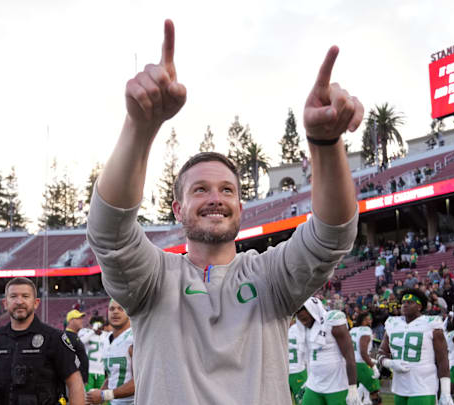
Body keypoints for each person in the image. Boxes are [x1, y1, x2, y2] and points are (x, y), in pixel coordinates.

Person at [86, 19, 361, 404]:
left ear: (240, 208)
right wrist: (140, 127)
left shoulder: (272, 278)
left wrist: (326, 142)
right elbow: (109, 233)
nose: (215, 197)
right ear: (178, 209)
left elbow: (332, 235)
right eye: (201, 189)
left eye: (227, 190)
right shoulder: (153, 280)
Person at [0, 277, 84, 405]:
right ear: (5, 303)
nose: (19, 301)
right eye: (13, 296)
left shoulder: (54, 338)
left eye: (25, 296)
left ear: (36, 303)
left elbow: (74, 382)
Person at [377, 288, 451, 405]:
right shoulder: (392, 323)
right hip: (399, 387)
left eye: (410, 302)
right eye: (403, 302)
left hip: (423, 387)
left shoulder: (431, 323)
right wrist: (390, 363)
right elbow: (381, 352)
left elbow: (442, 359)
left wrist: (446, 391)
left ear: (419, 307)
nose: (405, 305)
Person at [294, 297, 359, 405]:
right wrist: (308, 381)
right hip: (314, 385)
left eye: (305, 319)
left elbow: (349, 355)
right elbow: (311, 358)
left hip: (337, 386)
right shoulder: (306, 328)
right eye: (301, 320)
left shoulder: (332, 320)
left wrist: (352, 386)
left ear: (313, 312)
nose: (304, 323)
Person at [86, 300, 134, 405]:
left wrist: (105, 395)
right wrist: (96, 397)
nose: (115, 312)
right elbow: (112, 376)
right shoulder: (106, 339)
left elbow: (140, 381)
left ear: (128, 311)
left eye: (120, 308)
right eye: (112, 309)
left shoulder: (133, 338)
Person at [349, 312, 381, 405]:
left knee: (350, 395)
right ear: (363, 321)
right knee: (375, 393)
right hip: (361, 364)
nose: (370, 321)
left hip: (350, 364)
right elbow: (363, 353)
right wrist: (373, 366)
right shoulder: (366, 330)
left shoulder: (352, 330)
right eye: (368, 319)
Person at [79, 319, 109, 392]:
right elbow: (81, 342)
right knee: (87, 396)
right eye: (97, 327)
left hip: (101, 371)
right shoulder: (87, 333)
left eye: (100, 327)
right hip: (89, 371)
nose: (98, 329)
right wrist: (92, 331)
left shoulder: (105, 335)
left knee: (101, 396)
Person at [65, 309, 90, 384]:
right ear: (70, 321)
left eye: (81, 318)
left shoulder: (74, 336)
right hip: (72, 380)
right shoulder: (67, 337)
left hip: (78, 379)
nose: (81, 320)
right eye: (78, 318)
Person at [288, 316, 308, 404]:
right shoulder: (299, 331)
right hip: (298, 371)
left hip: (284, 372)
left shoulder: (280, 331)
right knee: (302, 401)